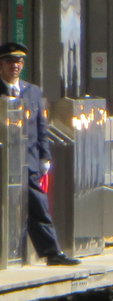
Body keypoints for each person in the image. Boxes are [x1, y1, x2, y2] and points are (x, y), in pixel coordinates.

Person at [0, 42, 80, 266]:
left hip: (28, 160)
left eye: (19, 62)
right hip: (4, 158)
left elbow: (41, 126)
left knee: (38, 206)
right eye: (9, 61)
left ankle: (51, 252)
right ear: (1, 65)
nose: (15, 66)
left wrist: (45, 156)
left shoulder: (32, 91)